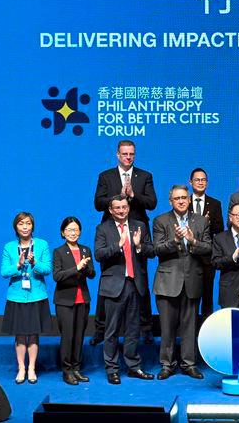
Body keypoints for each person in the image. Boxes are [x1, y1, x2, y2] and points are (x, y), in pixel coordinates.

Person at [92, 140, 157, 345]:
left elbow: (152, 203)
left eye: (131, 154)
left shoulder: (145, 176)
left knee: (140, 279)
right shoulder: (106, 176)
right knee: (110, 279)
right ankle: (101, 328)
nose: (128, 157)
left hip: (137, 230)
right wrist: (117, 197)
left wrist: (133, 195)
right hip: (112, 232)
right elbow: (98, 203)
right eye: (125, 154)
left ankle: (146, 327)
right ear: (117, 155)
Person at [152, 186, 212, 380]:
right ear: (170, 201)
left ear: (189, 199)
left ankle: (189, 364)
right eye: (176, 198)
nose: (180, 201)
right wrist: (176, 240)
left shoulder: (201, 221)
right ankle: (167, 365)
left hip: (193, 280)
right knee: (167, 327)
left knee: (190, 327)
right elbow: (157, 249)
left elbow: (209, 248)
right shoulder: (161, 220)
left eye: (184, 198)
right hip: (168, 281)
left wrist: (193, 241)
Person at [94, 195, 154, 384]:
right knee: (111, 331)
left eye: (124, 207)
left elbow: (151, 251)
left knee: (133, 329)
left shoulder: (140, 226)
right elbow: (98, 254)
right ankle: (112, 368)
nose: (121, 210)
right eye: (117, 208)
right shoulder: (103, 228)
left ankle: (133, 366)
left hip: (135, 284)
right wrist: (117, 246)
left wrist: (138, 246)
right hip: (114, 286)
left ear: (129, 208)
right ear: (110, 211)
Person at [0, 212, 52, 385]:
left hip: (36, 295)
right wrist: (18, 265)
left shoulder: (42, 244)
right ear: (16, 227)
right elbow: (4, 272)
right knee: (20, 334)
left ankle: (32, 368)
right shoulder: (9, 247)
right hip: (17, 297)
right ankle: (21, 368)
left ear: (32, 226)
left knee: (34, 333)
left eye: (28, 223)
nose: (24, 227)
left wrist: (35, 263)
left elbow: (48, 269)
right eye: (21, 224)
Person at [52, 217, 95, 385]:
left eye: (76, 230)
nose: (73, 233)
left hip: (82, 299)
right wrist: (76, 268)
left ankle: (77, 368)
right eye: (69, 230)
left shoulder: (85, 250)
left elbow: (92, 274)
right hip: (65, 300)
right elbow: (57, 276)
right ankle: (67, 370)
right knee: (68, 336)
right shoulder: (59, 252)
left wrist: (86, 268)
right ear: (63, 232)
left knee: (79, 336)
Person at [189, 167, 224, 325]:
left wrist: (206, 224)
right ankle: (191, 331)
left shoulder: (215, 204)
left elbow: (220, 229)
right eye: (197, 180)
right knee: (190, 297)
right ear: (191, 182)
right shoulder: (184, 201)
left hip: (207, 258)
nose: (200, 182)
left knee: (207, 296)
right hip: (188, 256)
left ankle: (207, 332)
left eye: (203, 180)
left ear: (207, 183)